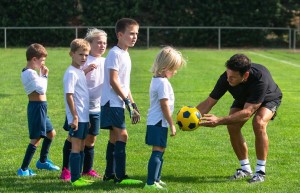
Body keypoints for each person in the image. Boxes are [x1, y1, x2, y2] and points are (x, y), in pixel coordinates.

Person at [197, 53, 282, 183]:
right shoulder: (226, 77)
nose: (228, 79)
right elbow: (209, 102)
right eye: (227, 75)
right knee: (232, 126)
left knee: (258, 123)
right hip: (244, 98)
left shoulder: (260, 78)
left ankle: (260, 172)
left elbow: (248, 112)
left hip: (268, 99)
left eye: (233, 77)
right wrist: (191, 116)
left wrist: (218, 120)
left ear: (245, 75)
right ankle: (245, 169)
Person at [60, 28, 107, 181]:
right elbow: (70, 94)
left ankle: (84, 171)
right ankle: (69, 173)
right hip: (78, 114)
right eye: (98, 42)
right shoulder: (77, 69)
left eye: (104, 43)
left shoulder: (101, 62)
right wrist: (74, 116)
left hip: (92, 110)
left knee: (87, 141)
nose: (102, 45)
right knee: (75, 142)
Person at [100, 18, 142, 185]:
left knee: (113, 137)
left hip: (118, 102)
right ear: (119, 34)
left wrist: (133, 104)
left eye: (136, 34)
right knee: (123, 135)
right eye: (131, 33)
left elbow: (125, 84)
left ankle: (109, 174)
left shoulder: (125, 53)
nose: (134, 37)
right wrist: (126, 101)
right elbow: (113, 80)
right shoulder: (115, 53)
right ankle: (120, 176)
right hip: (112, 102)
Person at [144, 46, 186, 190]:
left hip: (156, 122)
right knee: (157, 150)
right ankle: (150, 183)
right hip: (158, 122)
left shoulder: (157, 79)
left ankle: (156, 179)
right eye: (174, 69)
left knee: (161, 150)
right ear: (166, 66)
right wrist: (172, 124)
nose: (175, 72)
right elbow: (164, 105)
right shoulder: (161, 83)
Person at [18, 43, 60, 176]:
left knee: (51, 133)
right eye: (42, 60)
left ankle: (42, 161)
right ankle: (23, 169)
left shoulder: (32, 72)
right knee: (36, 138)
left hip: (42, 108)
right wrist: (44, 75)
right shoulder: (30, 73)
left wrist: (41, 75)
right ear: (34, 59)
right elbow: (42, 89)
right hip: (37, 108)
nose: (43, 63)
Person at [63, 38, 93, 187]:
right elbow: (69, 95)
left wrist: (85, 118)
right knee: (75, 147)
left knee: (81, 146)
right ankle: (74, 179)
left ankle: (79, 176)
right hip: (76, 117)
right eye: (81, 54)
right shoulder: (71, 73)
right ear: (71, 54)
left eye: (86, 55)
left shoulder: (79, 71)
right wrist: (74, 116)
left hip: (83, 117)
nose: (84, 58)